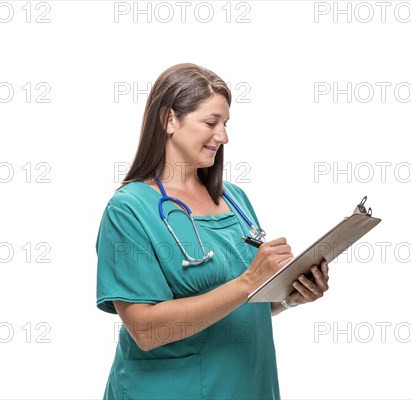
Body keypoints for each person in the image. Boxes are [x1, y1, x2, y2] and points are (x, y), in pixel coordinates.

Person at [95, 63, 330, 400]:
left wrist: (286, 298)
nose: (223, 136)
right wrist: (248, 281)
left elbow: (240, 303)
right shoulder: (129, 210)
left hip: (249, 385)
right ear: (169, 119)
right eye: (210, 123)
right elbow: (145, 330)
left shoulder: (233, 199)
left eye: (225, 123)